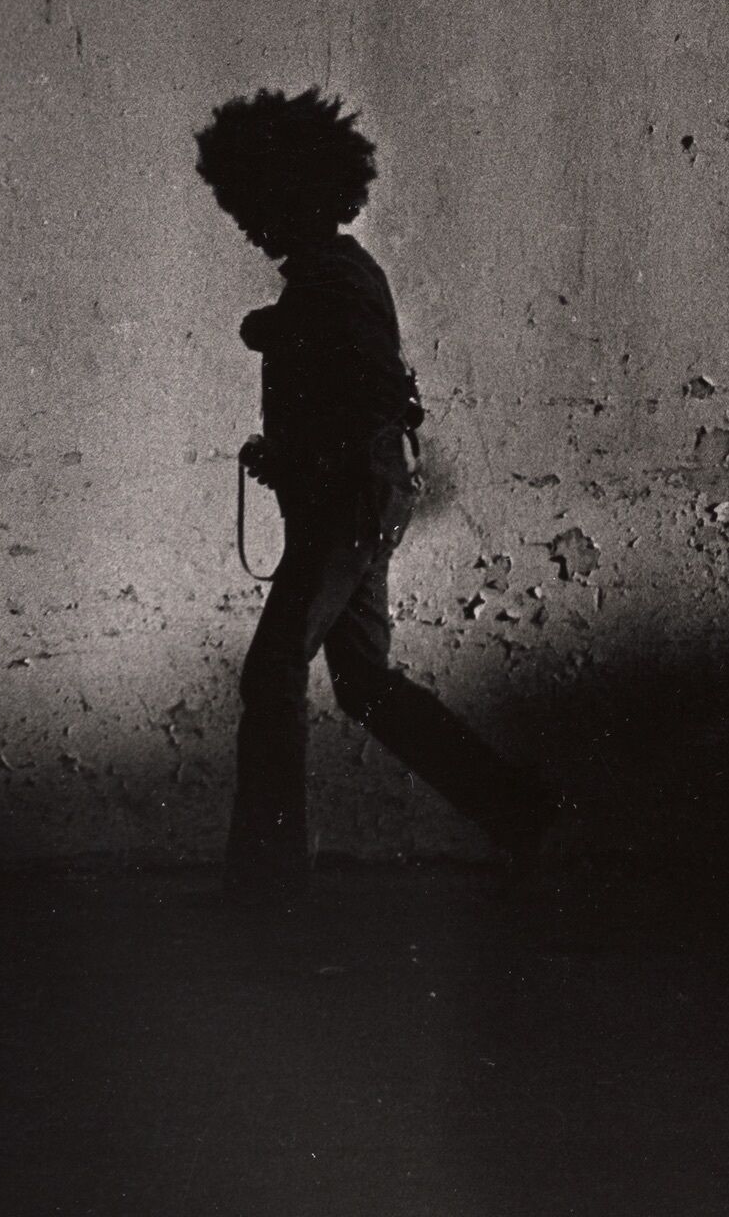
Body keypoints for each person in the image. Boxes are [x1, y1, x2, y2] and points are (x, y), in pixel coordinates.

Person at [195, 86, 553, 901]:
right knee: (363, 684)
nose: (251, 227)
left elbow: (382, 391)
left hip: (346, 511)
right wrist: (284, 448)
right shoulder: (334, 277)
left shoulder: (333, 281)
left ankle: (267, 877)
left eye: (257, 208)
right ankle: (516, 809)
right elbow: (366, 395)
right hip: (355, 505)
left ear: (291, 196)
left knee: (275, 669)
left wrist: (279, 338)